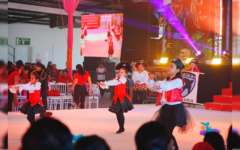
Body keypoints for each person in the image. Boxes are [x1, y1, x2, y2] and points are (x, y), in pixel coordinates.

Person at [148, 59, 195, 150]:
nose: (168, 68)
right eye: (168, 66)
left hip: (175, 109)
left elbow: (167, 86)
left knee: (167, 132)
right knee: (162, 131)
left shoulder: (178, 81)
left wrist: (160, 84)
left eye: (171, 66)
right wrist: (151, 80)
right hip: (166, 108)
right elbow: (153, 88)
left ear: (178, 70)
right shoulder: (165, 80)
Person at [97, 61, 134, 133]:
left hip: (122, 98)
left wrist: (105, 83)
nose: (120, 73)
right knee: (118, 113)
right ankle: (121, 127)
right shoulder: (117, 79)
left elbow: (114, 82)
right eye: (119, 72)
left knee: (120, 113)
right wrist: (104, 84)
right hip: (116, 98)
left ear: (126, 74)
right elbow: (112, 81)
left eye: (122, 72)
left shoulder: (123, 79)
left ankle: (121, 128)